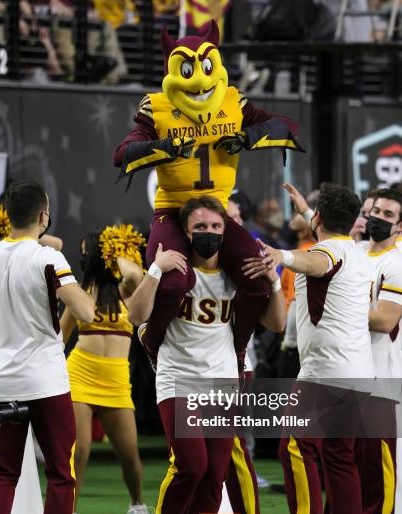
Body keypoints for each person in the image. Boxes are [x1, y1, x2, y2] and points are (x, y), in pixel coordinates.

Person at [114, 19, 303, 376]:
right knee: (174, 282)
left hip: (216, 212)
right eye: (187, 68)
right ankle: (152, 341)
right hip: (174, 210)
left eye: (204, 66)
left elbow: (285, 126)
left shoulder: (233, 100)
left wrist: (250, 136)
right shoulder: (156, 106)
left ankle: (239, 349)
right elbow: (122, 153)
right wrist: (164, 147)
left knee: (258, 277)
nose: (198, 79)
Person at [128, 195, 285, 514]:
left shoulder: (237, 277)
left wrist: (275, 283)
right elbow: (135, 316)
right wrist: (154, 270)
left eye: (216, 227)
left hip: (221, 381)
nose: (209, 234)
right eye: (200, 227)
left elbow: (278, 325)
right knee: (191, 465)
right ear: (186, 230)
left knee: (215, 475)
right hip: (177, 379)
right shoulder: (173, 273)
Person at [244, 181, 375, 514]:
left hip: (325, 372)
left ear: (319, 220)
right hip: (356, 372)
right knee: (340, 460)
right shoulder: (354, 247)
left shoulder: (326, 252)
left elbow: (315, 262)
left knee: (294, 449)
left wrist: (279, 253)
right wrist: (305, 211)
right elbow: (327, 243)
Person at [0, 180, 95, 514]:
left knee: (0, 474)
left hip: (0, 381)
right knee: (60, 474)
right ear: (43, 215)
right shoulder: (50, 258)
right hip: (46, 381)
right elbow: (84, 310)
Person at [60, 227, 150, 514]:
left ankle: (137, 504)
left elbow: (137, 277)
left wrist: (117, 255)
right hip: (80, 373)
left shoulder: (125, 289)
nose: (84, 254)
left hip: (115, 378)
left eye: (90, 249)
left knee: (129, 454)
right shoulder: (81, 291)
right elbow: (61, 336)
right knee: (80, 449)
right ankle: (70, 513)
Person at [359, 188, 402, 514]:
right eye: (375, 209)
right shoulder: (356, 252)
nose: (377, 216)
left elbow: (387, 321)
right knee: (345, 455)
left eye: (387, 213)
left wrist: (342, 311)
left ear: (401, 226)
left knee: (378, 456)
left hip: (380, 367)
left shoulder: (400, 263)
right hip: (347, 365)